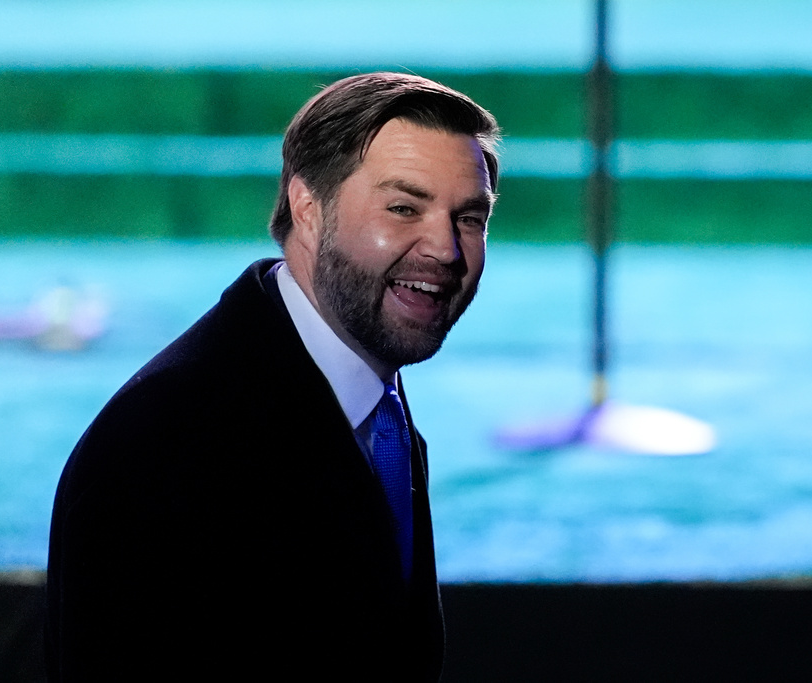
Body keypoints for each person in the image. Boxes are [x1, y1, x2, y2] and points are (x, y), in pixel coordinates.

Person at [46, 72, 499, 681]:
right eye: (403, 208)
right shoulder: (170, 442)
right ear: (308, 208)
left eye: (469, 218)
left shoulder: (361, 379)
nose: (445, 249)